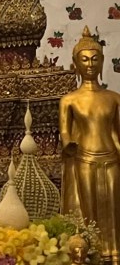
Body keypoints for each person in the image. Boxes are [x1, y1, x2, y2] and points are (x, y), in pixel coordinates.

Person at [60, 27, 120, 265]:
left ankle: (114, 252)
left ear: (102, 61)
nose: (90, 64)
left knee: (114, 208)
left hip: (111, 157)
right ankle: (90, 255)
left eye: (95, 59)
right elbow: (65, 130)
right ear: (75, 63)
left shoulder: (114, 98)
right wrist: (68, 144)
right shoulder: (69, 100)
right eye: (84, 59)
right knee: (88, 211)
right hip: (84, 157)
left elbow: (116, 132)